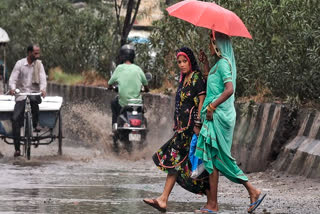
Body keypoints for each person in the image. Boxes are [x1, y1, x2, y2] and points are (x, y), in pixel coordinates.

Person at [195, 32, 266, 213]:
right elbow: (212, 84)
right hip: (213, 116)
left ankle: (253, 190)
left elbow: (229, 90)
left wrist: (211, 106)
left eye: (211, 43)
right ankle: (213, 204)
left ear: (218, 44)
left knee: (222, 158)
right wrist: (204, 63)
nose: (209, 47)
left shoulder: (224, 64)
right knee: (212, 159)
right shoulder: (217, 65)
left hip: (219, 116)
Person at [143, 47, 208, 212]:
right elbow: (180, 104)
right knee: (180, 163)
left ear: (190, 61)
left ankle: (165, 199)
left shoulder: (196, 78)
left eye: (184, 61)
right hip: (182, 128)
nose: (181, 64)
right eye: (179, 62)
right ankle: (164, 199)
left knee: (177, 160)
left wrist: (198, 125)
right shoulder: (183, 79)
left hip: (192, 128)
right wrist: (176, 122)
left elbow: (202, 100)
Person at [9, 44, 47, 157]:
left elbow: (43, 79)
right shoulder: (20, 64)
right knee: (15, 119)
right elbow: (12, 79)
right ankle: (17, 149)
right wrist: (12, 89)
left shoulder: (39, 65)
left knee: (35, 101)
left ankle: (35, 124)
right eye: (35, 53)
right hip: (21, 94)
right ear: (29, 53)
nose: (37, 55)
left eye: (38, 53)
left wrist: (43, 89)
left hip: (34, 93)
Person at [108, 44, 149, 131]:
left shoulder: (119, 68)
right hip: (136, 103)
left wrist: (111, 87)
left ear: (122, 56)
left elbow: (110, 83)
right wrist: (145, 89)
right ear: (133, 56)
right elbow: (145, 84)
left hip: (123, 103)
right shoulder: (138, 69)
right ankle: (142, 124)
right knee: (142, 105)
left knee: (113, 103)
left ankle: (114, 126)